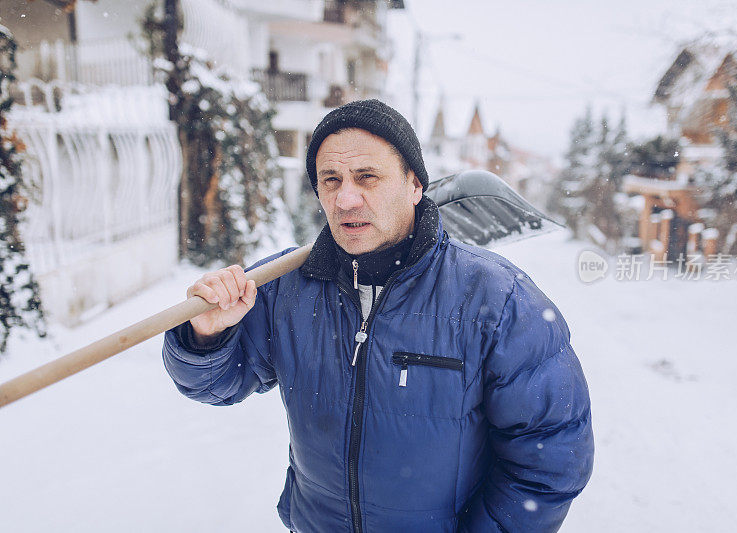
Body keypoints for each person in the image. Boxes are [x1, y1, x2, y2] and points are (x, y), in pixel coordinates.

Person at [162, 99, 593, 532]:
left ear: (414, 185)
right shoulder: (283, 287)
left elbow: (550, 457)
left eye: (367, 177)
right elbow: (215, 385)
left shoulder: (499, 299)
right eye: (331, 180)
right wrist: (206, 335)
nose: (346, 198)